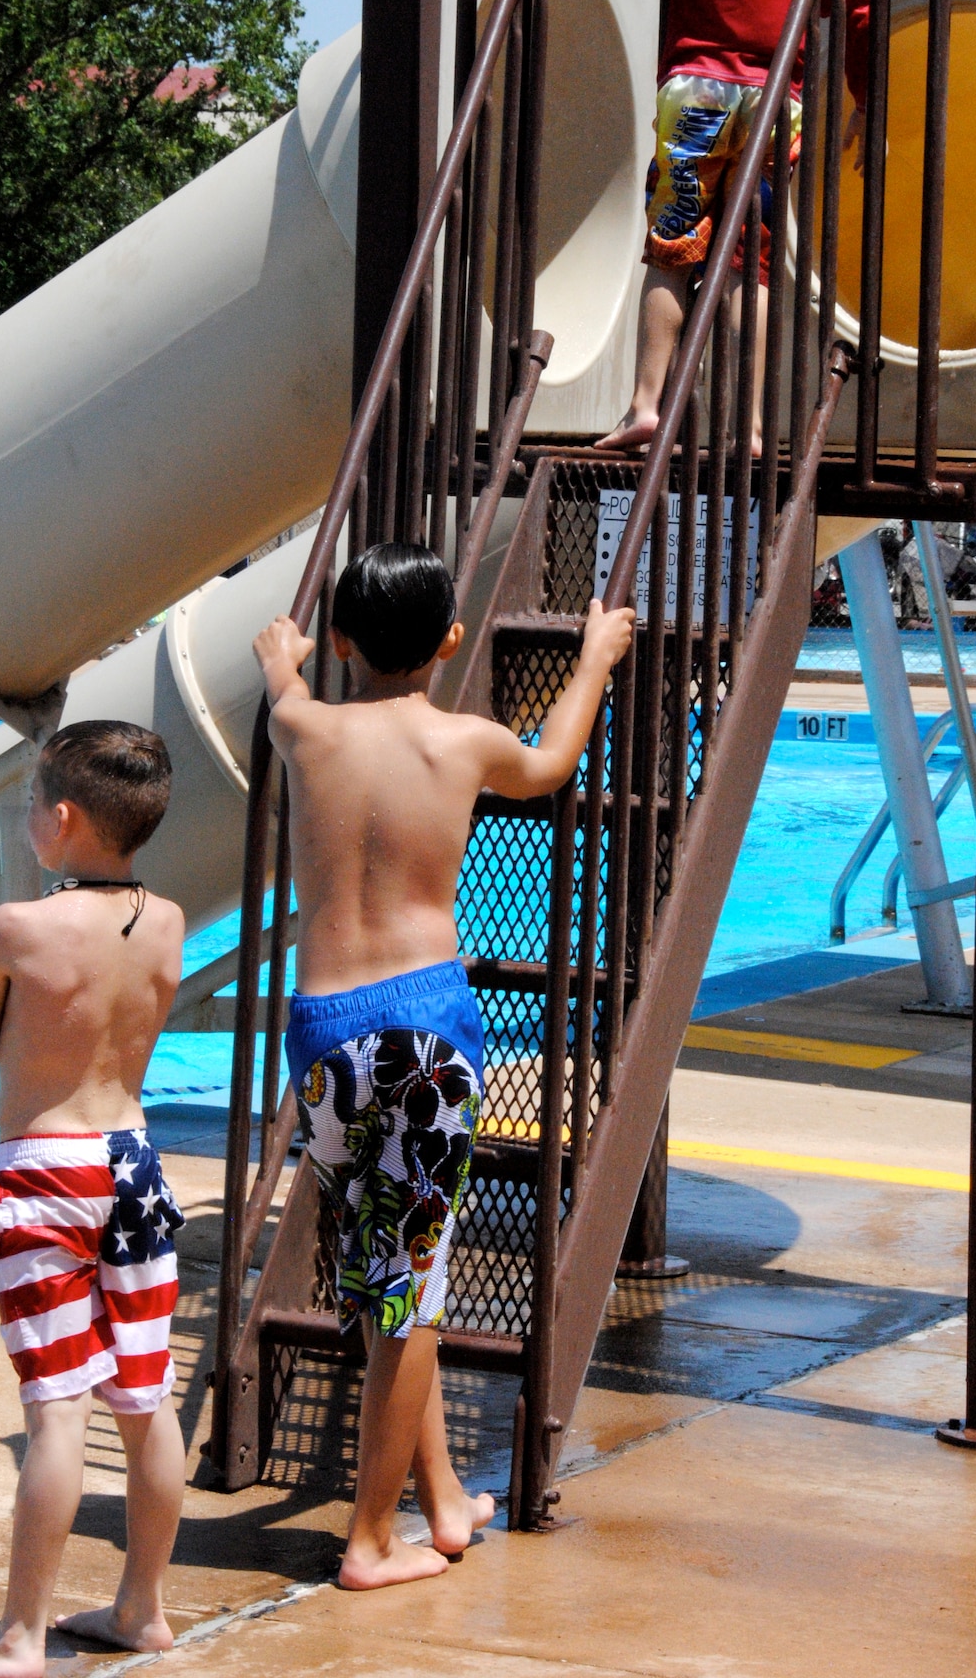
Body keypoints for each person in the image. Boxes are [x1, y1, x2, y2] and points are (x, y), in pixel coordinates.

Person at [255, 542, 634, 1590]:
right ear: (452, 639)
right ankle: (371, 1541)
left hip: (324, 1025)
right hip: (424, 1025)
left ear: (340, 640)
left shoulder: (302, 725)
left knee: (385, 1276)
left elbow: (282, 680)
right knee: (409, 1294)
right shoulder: (463, 741)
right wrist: (594, 653)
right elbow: (553, 760)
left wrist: (280, 655)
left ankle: (440, 1500)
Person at [505, 0, 871, 453]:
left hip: (702, 94)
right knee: (751, 263)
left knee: (674, 248)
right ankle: (752, 426)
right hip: (778, 106)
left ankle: (646, 404)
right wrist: (868, 96)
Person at [0, 722, 187, 1678]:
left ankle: (21, 1638)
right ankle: (142, 1610)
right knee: (146, 1398)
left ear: (61, 819)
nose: (30, 818)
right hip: (136, 1168)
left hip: (47, 1172)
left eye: (34, 804)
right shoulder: (168, 919)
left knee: (58, 1410)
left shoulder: (18, 928)